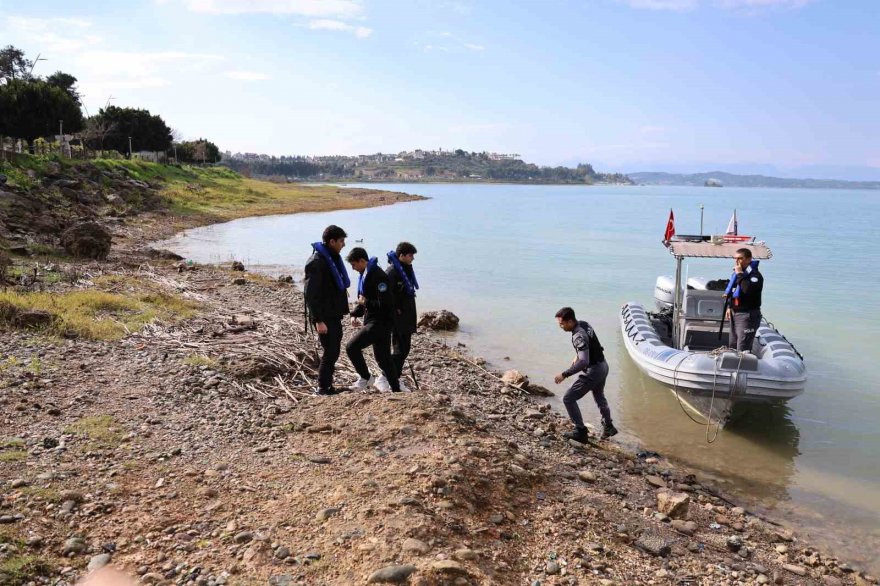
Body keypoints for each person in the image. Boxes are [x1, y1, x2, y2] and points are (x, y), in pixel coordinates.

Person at [553, 307, 618, 442]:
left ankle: (580, 431)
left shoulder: (578, 335)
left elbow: (584, 361)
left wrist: (564, 374)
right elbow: (591, 345)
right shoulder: (584, 323)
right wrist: (578, 355)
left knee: (568, 399)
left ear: (570, 321)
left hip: (594, 370)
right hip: (603, 365)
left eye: (562, 324)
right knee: (599, 396)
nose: (560, 326)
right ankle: (609, 426)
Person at [345, 247, 402, 393]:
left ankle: (366, 378)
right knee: (384, 359)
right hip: (376, 321)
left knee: (351, 347)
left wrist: (365, 303)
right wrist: (354, 314)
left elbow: (385, 304)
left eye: (354, 264)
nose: (353, 268)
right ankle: (396, 390)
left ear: (362, 261)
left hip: (380, 322)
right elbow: (365, 299)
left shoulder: (379, 276)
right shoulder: (366, 273)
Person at [303, 225, 350, 396]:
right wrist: (318, 320)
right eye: (341, 241)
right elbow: (311, 294)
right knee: (330, 352)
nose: (343, 245)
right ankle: (322, 388)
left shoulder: (331, 258)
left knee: (334, 351)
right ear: (332, 242)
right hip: (324, 317)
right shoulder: (317, 262)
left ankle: (328, 386)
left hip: (333, 314)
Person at [386, 242, 419, 391]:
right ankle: (387, 378)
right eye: (410, 255)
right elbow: (387, 294)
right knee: (400, 350)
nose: (412, 258)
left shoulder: (405, 269)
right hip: (399, 318)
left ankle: (394, 378)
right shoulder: (392, 271)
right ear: (401, 256)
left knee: (404, 350)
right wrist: (397, 309)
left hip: (407, 316)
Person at [725, 247, 763, 352]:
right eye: (735, 258)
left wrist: (740, 274)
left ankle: (740, 367)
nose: (737, 261)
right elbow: (733, 292)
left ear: (748, 259)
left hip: (747, 316)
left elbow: (747, 289)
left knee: (742, 348)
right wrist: (730, 307)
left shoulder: (755, 276)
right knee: (732, 346)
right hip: (735, 313)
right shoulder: (738, 275)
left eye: (740, 258)